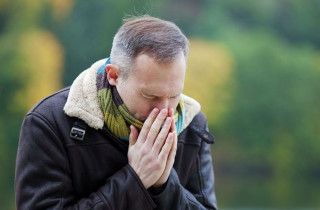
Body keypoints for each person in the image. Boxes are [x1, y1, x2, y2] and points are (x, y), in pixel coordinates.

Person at [15, 15, 218, 209]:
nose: (165, 111)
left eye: (174, 95)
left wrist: (165, 186)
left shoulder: (193, 124)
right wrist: (135, 179)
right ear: (113, 75)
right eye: (150, 96)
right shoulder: (50, 122)